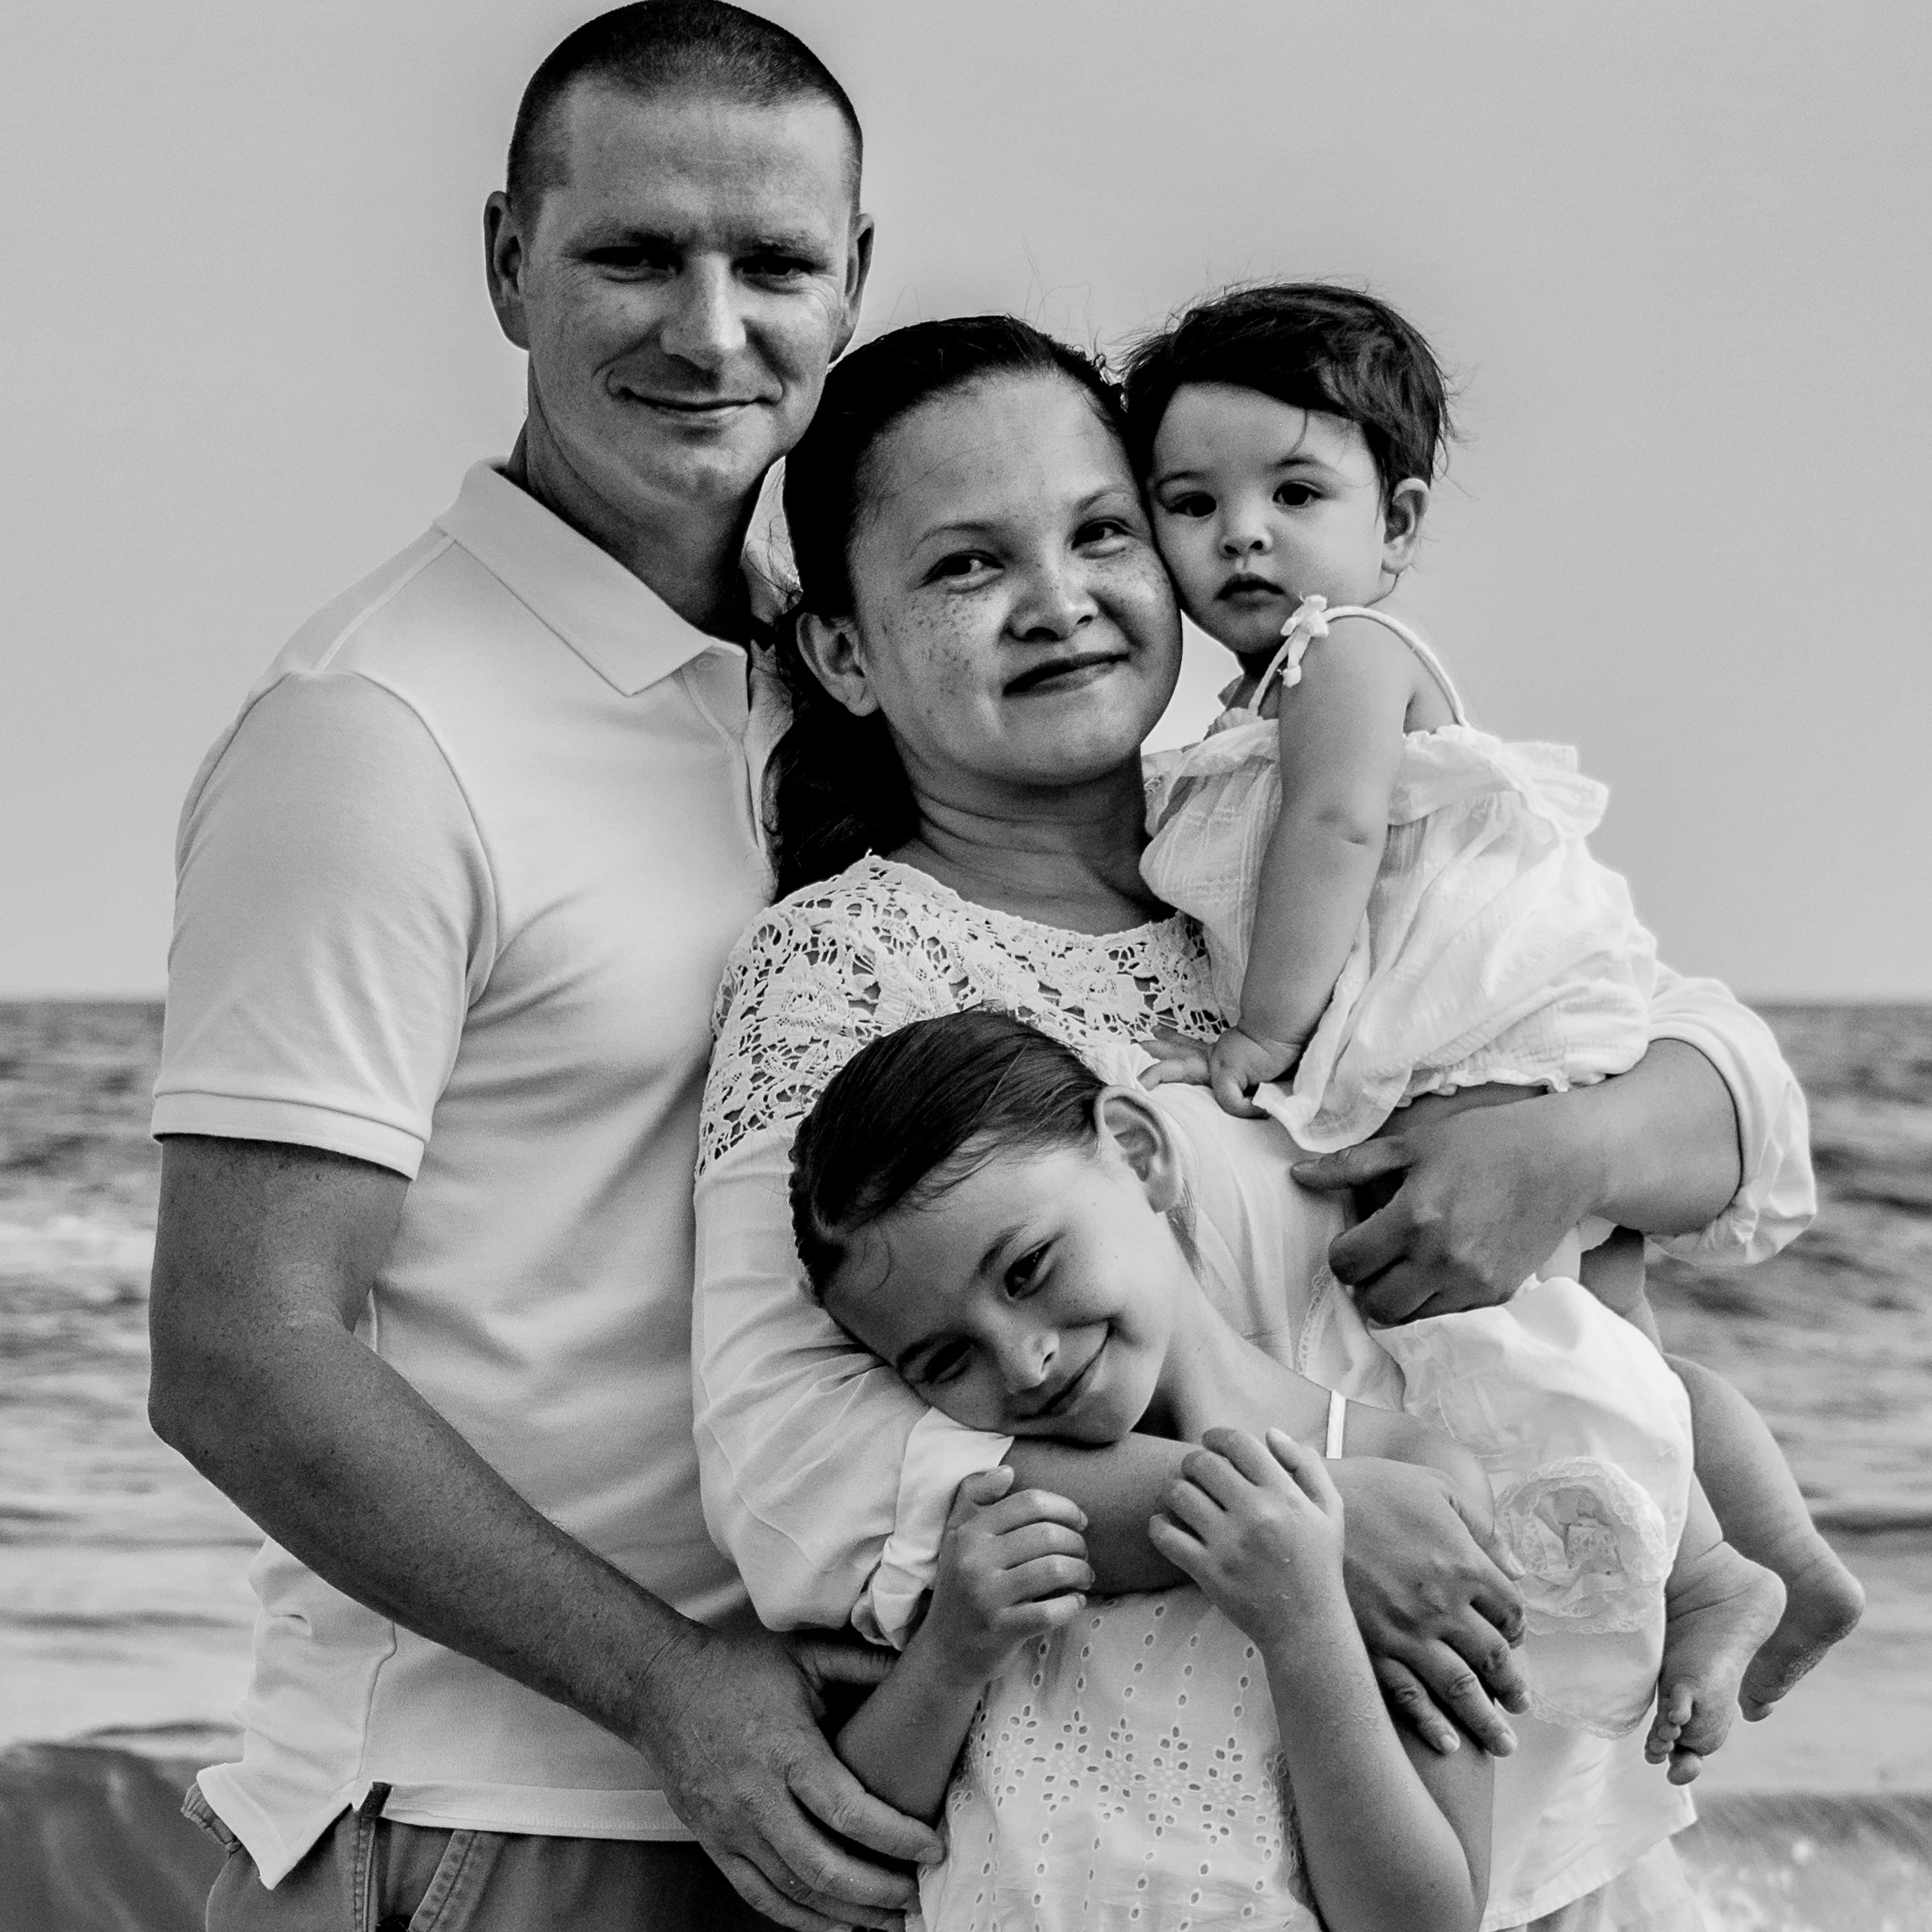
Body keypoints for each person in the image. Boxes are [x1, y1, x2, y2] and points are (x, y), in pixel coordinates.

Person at [691, 314, 1818, 1927]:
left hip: (1499, 1780)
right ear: (848, 654)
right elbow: (800, 1482)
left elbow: (1718, 1081)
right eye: (961, 566)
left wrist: (1554, 1152)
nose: (1058, 597)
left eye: (1097, 530)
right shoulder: (842, 968)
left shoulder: (1257, 857)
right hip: (1154, 1828)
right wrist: (1306, 1513)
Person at [143, 7, 940, 1929]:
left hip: (834, 1795)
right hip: (493, 1811)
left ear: (853, 280)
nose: (706, 326)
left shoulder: (854, 687)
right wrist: (666, 1684)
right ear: (507, 260)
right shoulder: (376, 728)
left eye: (769, 263)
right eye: (630, 253)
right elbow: (241, 1350)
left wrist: (1656, 1114)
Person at [1125, 281, 1864, 1728]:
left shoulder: (1337, 656)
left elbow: (1331, 835)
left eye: (1293, 489)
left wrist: (1258, 1040)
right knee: (1601, 1334)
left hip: (1478, 1042)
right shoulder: (1248, 700)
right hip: (1478, 1042)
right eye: (1187, 501)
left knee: (1547, 1342)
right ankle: (1759, 1557)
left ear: (1391, 524)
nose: (1240, 533)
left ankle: (1715, 1574)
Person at [785, 1010, 1790, 1928]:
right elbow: (860, 1835)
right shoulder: (988, 1519)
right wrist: (952, 1651)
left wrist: (1305, 1618)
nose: (1021, 1358)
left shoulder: (1403, 1483)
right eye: (942, 1359)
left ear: (1137, 1156)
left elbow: (1423, 1916)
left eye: (1026, 1269)